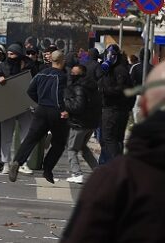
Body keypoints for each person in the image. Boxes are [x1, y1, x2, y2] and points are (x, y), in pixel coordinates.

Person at [59, 64, 165, 242]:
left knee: (75, 148)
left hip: (84, 124)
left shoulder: (117, 180)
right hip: (91, 123)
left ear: (144, 106)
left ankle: (77, 172)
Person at [8, 49, 70, 182]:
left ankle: (17, 162)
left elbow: (30, 91)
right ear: (61, 61)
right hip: (55, 111)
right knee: (59, 142)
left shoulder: (41, 73)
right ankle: (47, 169)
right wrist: (62, 109)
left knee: (31, 138)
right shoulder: (61, 76)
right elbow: (59, 95)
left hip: (41, 109)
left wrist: (39, 101)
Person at [0, 43, 33, 171]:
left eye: (12, 54)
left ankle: (23, 163)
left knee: (26, 134)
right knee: (6, 135)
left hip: (25, 104)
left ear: (18, 54)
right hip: (8, 104)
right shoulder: (3, 66)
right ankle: (5, 162)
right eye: (8, 54)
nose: (9, 56)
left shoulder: (28, 65)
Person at [63, 61, 100, 183]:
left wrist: (66, 103)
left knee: (72, 149)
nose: (71, 75)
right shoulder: (93, 87)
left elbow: (78, 107)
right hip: (91, 123)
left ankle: (77, 173)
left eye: (74, 73)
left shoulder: (79, 88)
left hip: (79, 123)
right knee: (83, 148)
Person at [96, 43, 133, 162]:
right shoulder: (113, 69)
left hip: (113, 109)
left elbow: (122, 89)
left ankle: (117, 166)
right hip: (115, 109)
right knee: (115, 140)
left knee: (109, 138)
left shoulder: (120, 70)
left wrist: (105, 91)